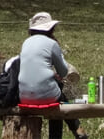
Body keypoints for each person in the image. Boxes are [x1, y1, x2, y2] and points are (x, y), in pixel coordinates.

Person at [18, 11, 88, 139]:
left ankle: (78, 130)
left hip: (23, 95)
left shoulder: (26, 43)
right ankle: (75, 130)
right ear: (51, 28)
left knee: (57, 97)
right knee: (58, 101)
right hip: (46, 95)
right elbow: (64, 72)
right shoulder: (52, 44)